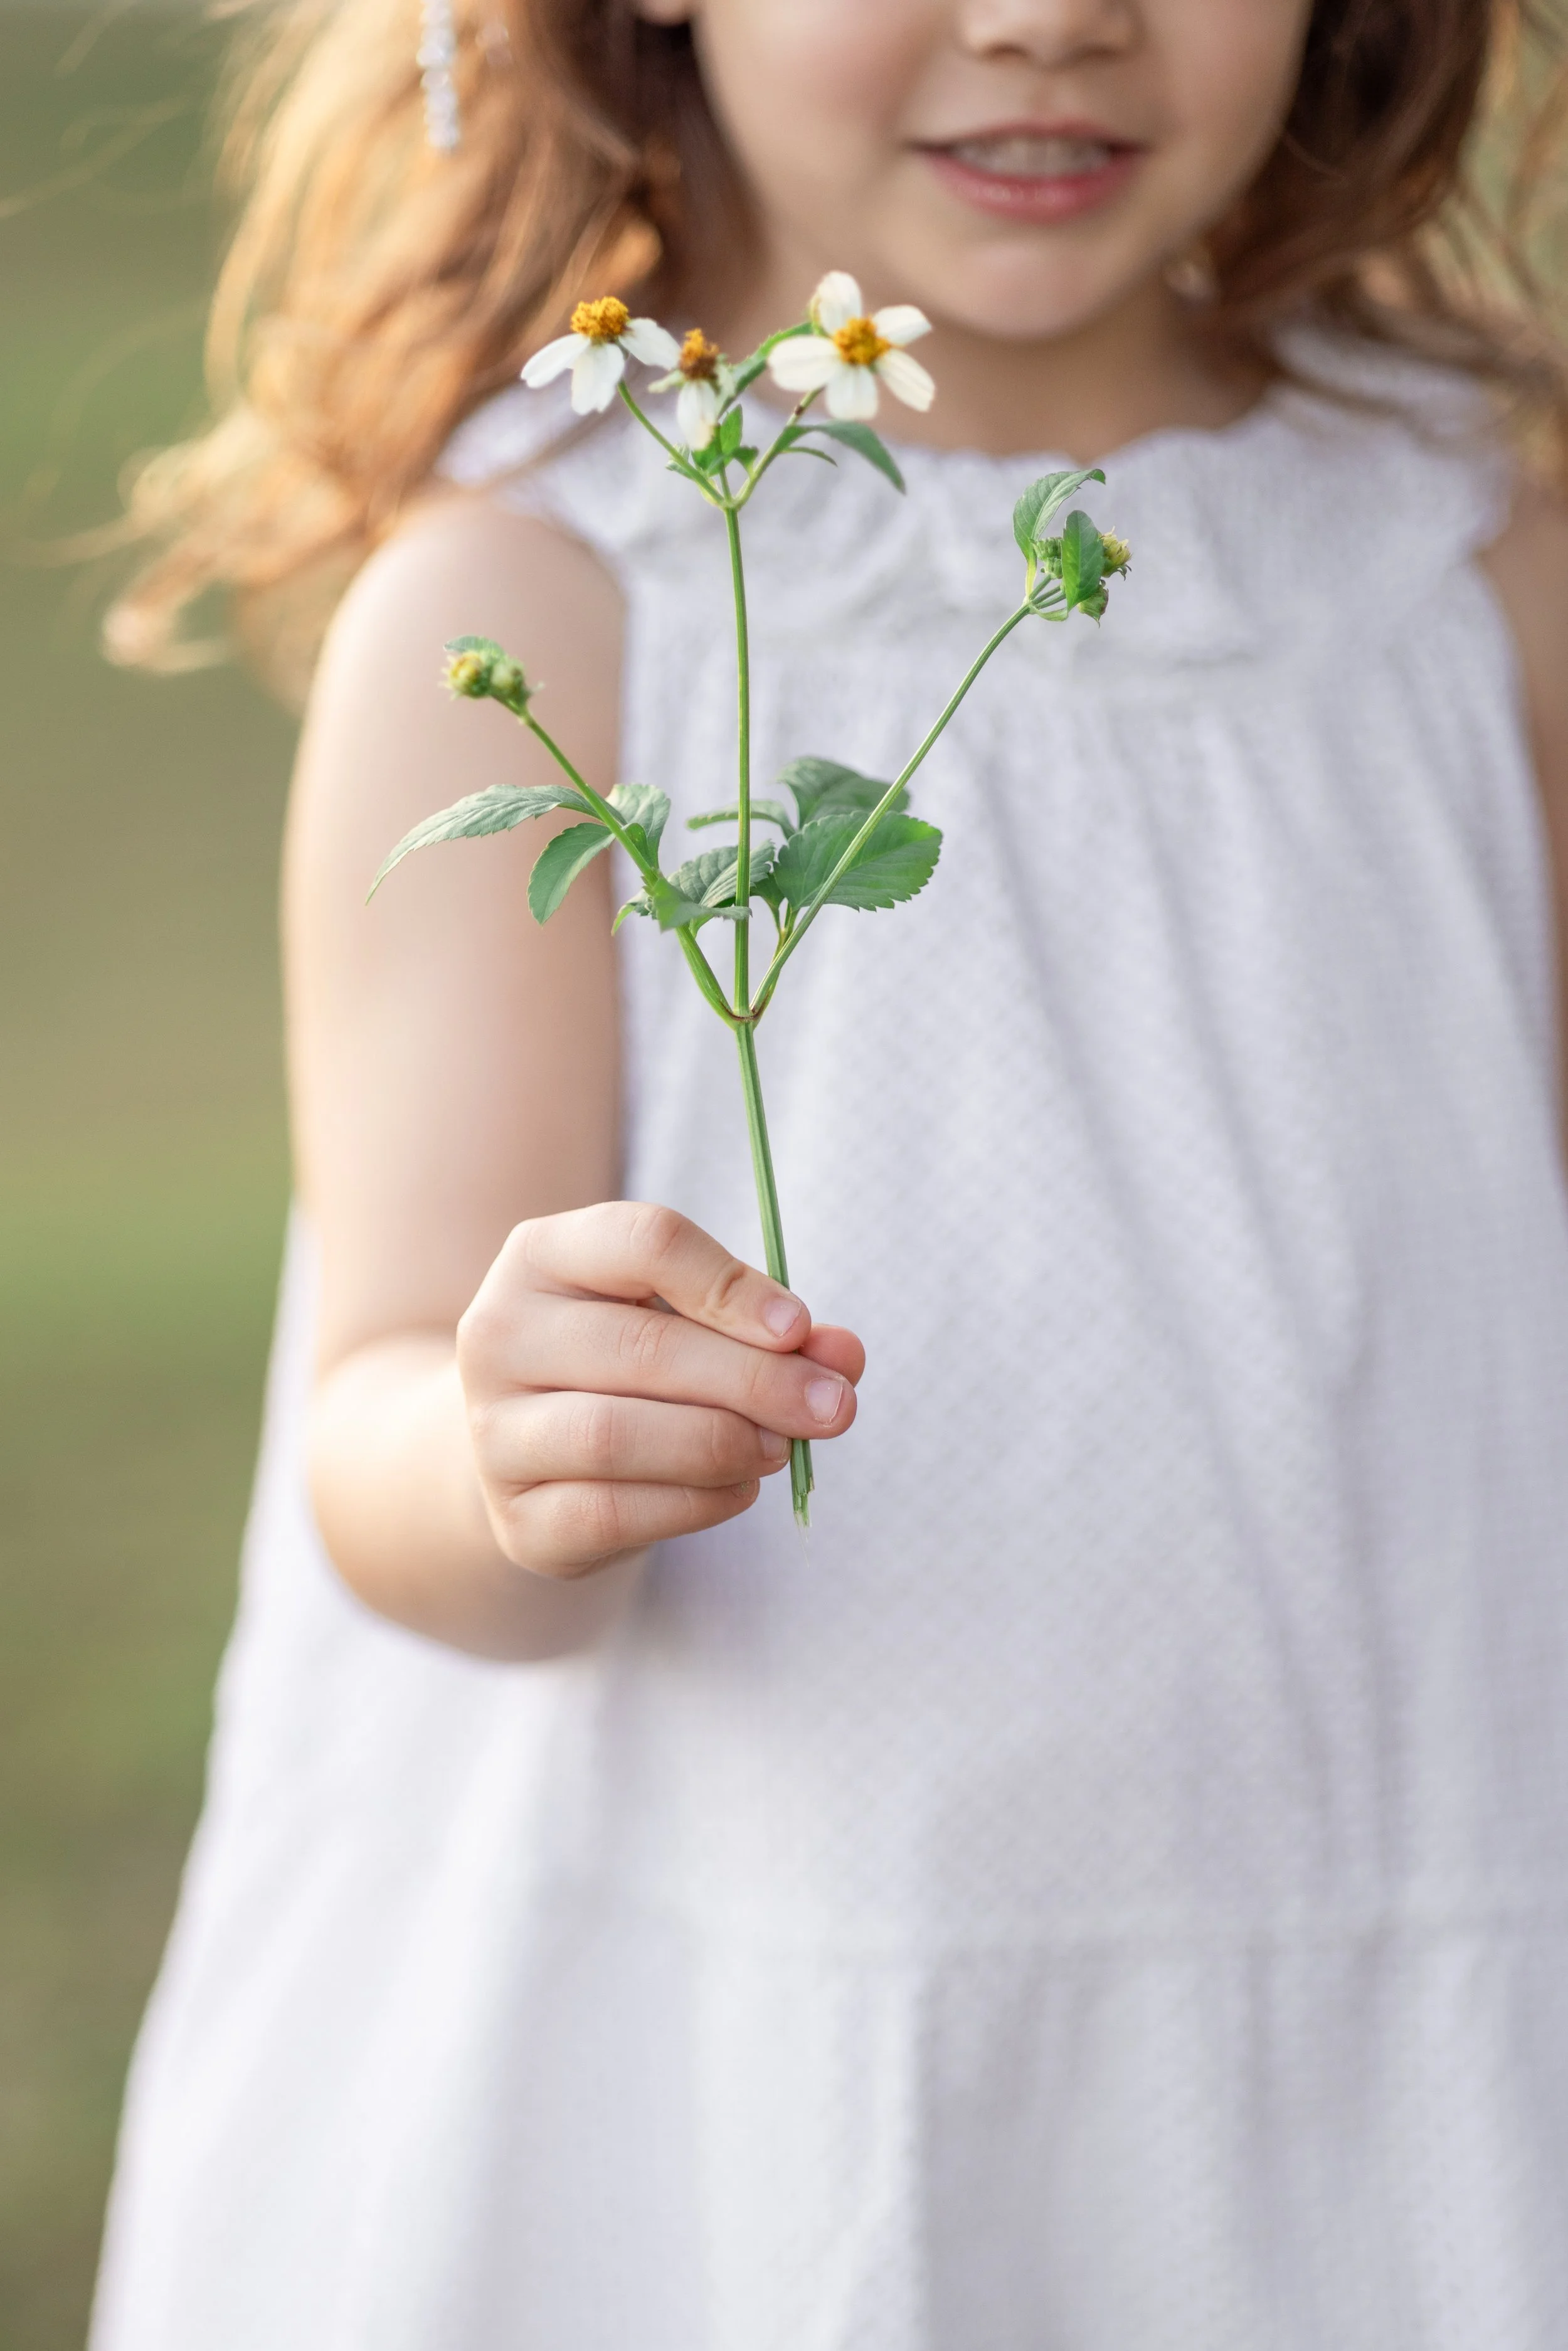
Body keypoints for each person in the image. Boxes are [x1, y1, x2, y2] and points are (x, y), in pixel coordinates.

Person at [89, 1, 1568, 2343]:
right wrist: (506, 1450)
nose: (1048, 20)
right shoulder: (547, 604)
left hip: (1389, 1973)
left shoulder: (1474, 577)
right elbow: (380, 1402)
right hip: (732, 2026)